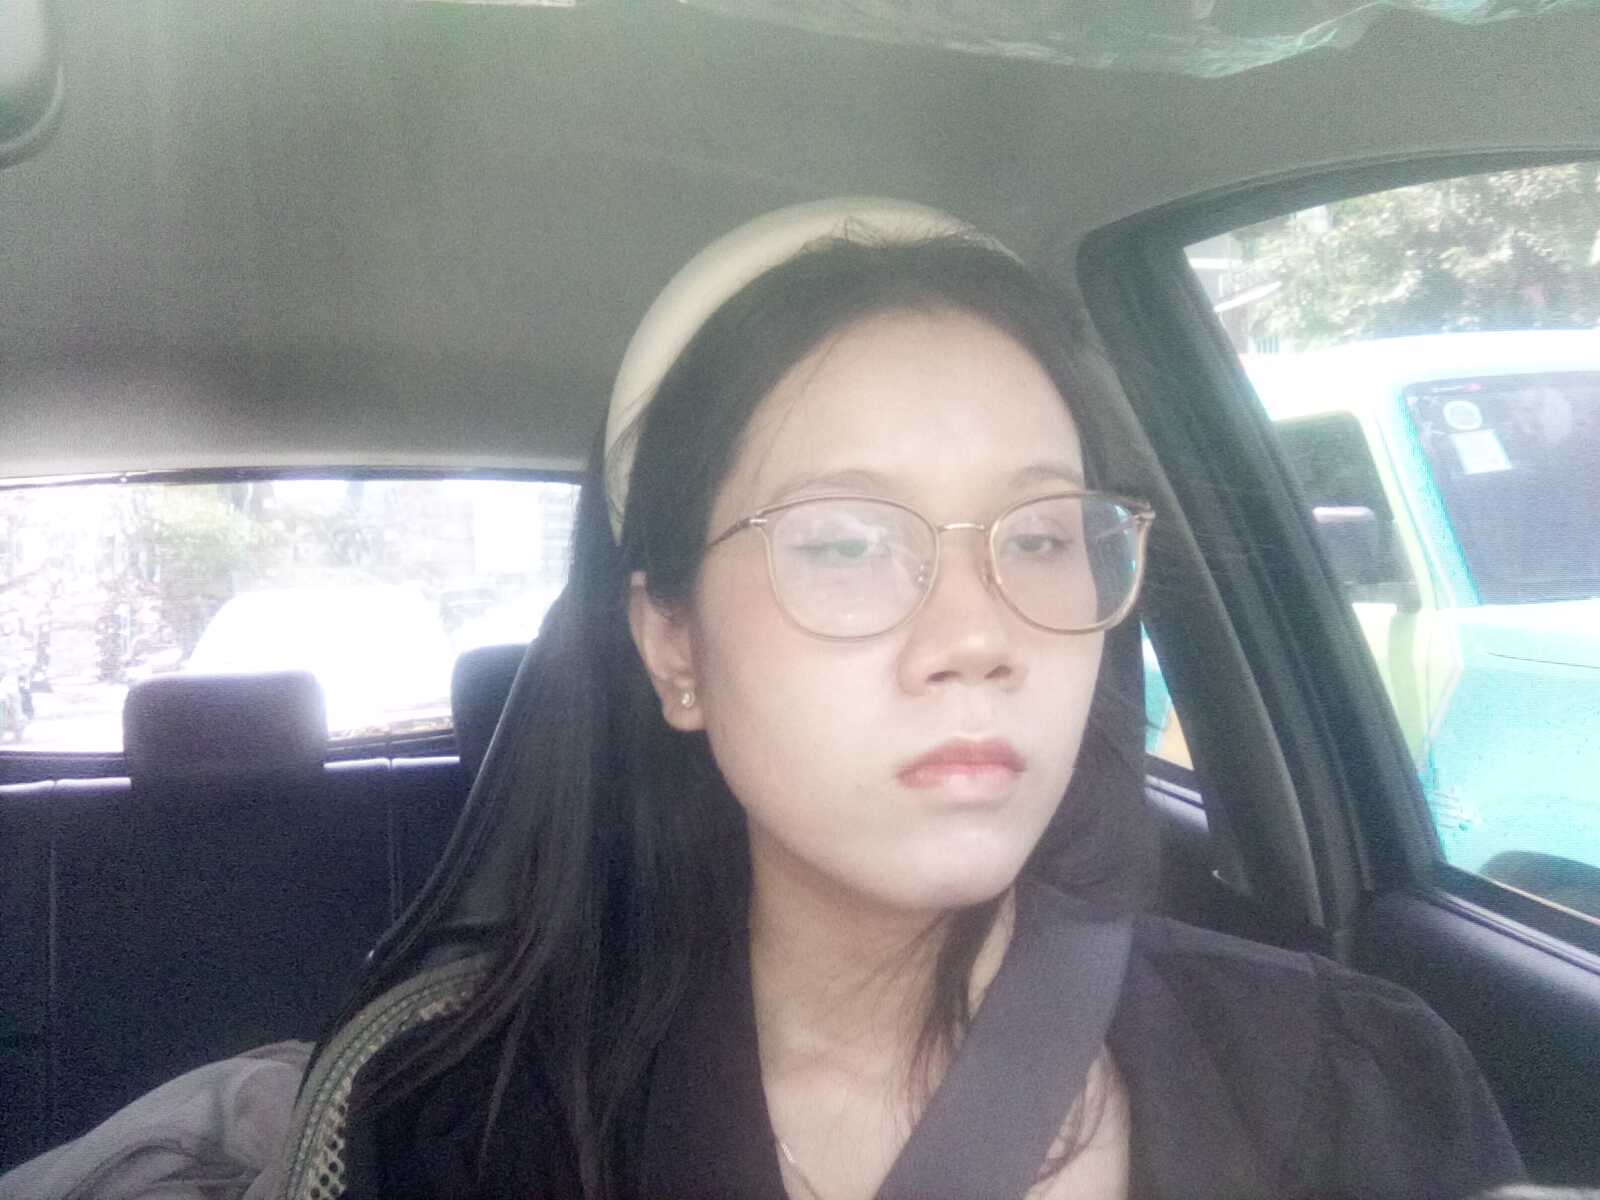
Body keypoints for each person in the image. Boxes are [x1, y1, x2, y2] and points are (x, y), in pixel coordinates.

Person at [320, 200, 1525, 1200]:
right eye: (845, 543)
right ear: (673, 646)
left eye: (1041, 536)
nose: (975, 638)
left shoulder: (1358, 1086)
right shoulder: (466, 1141)